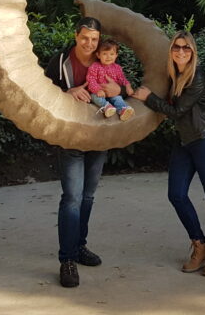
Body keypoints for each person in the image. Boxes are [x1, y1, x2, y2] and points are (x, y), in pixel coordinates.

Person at [133, 31, 205, 276]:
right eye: (176, 47)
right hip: (185, 141)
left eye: (186, 48)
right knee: (176, 194)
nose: (180, 51)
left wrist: (149, 97)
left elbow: (176, 112)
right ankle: (200, 245)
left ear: (193, 52)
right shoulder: (174, 74)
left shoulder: (196, 76)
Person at [43, 16, 126, 288]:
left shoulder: (106, 59)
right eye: (84, 38)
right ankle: (66, 259)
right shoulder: (60, 62)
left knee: (88, 196)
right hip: (71, 139)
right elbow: (41, 92)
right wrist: (68, 92)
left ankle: (79, 246)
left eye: (94, 39)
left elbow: (123, 88)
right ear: (76, 35)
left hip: (99, 137)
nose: (89, 43)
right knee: (72, 198)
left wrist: (120, 88)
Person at [87, 38, 136, 121]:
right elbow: (91, 80)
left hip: (113, 93)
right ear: (98, 55)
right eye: (105, 54)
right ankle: (107, 106)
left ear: (116, 55)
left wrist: (128, 86)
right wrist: (98, 90)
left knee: (118, 98)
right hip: (99, 93)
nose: (108, 57)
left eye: (112, 54)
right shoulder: (95, 67)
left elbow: (122, 79)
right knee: (94, 97)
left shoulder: (117, 68)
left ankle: (123, 110)